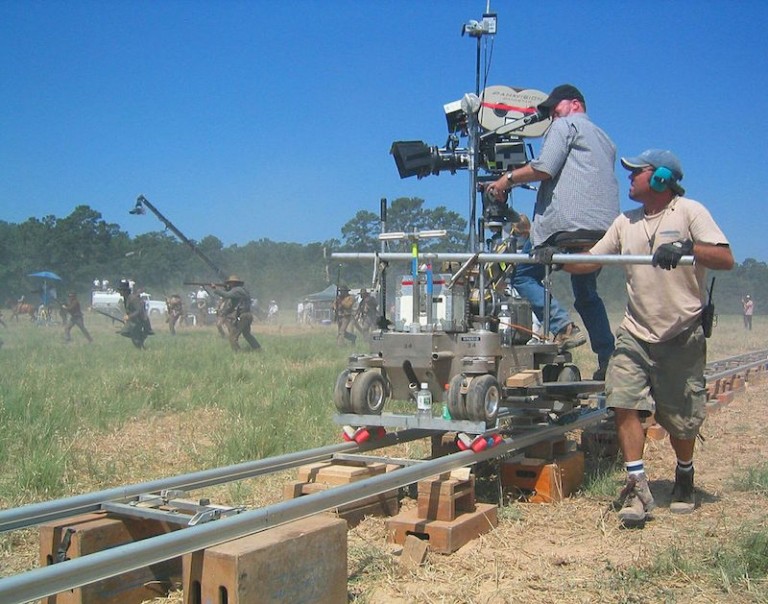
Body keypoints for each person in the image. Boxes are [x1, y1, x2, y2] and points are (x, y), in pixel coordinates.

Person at [567, 149, 734, 526]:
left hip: (681, 332)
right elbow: (592, 259)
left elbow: (725, 258)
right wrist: (555, 257)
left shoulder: (690, 212)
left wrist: (688, 248)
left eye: (635, 173)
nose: (628, 178)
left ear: (660, 178)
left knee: (681, 418)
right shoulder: (625, 222)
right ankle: (637, 484)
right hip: (635, 332)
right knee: (622, 398)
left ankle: (685, 473)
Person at [489, 84, 619, 378]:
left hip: (567, 227)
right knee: (586, 293)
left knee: (522, 274)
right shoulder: (606, 138)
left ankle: (561, 326)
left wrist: (506, 179)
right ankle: (608, 359)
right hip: (606, 230)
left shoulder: (565, 126)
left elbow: (545, 167)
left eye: (554, 108)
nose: (551, 115)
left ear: (575, 104)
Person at [509, 214, 586, 350]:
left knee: (521, 277)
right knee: (588, 295)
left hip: (552, 228)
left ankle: (563, 327)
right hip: (586, 224)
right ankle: (607, 356)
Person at [211, 275, 261, 351]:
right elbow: (232, 306)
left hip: (243, 316)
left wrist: (215, 289)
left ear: (233, 283)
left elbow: (226, 295)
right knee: (247, 334)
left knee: (232, 337)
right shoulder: (241, 290)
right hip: (247, 315)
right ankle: (258, 349)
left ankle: (238, 353)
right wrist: (225, 312)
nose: (229, 285)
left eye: (230, 283)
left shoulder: (237, 290)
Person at [116, 280, 153, 349]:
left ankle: (142, 345)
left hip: (141, 321)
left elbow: (139, 310)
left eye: (121, 290)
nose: (119, 292)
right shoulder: (126, 298)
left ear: (125, 291)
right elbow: (129, 310)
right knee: (125, 332)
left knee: (136, 340)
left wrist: (129, 317)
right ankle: (141, 343)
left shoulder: (133, 298)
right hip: (134, 321)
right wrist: (127, 319)